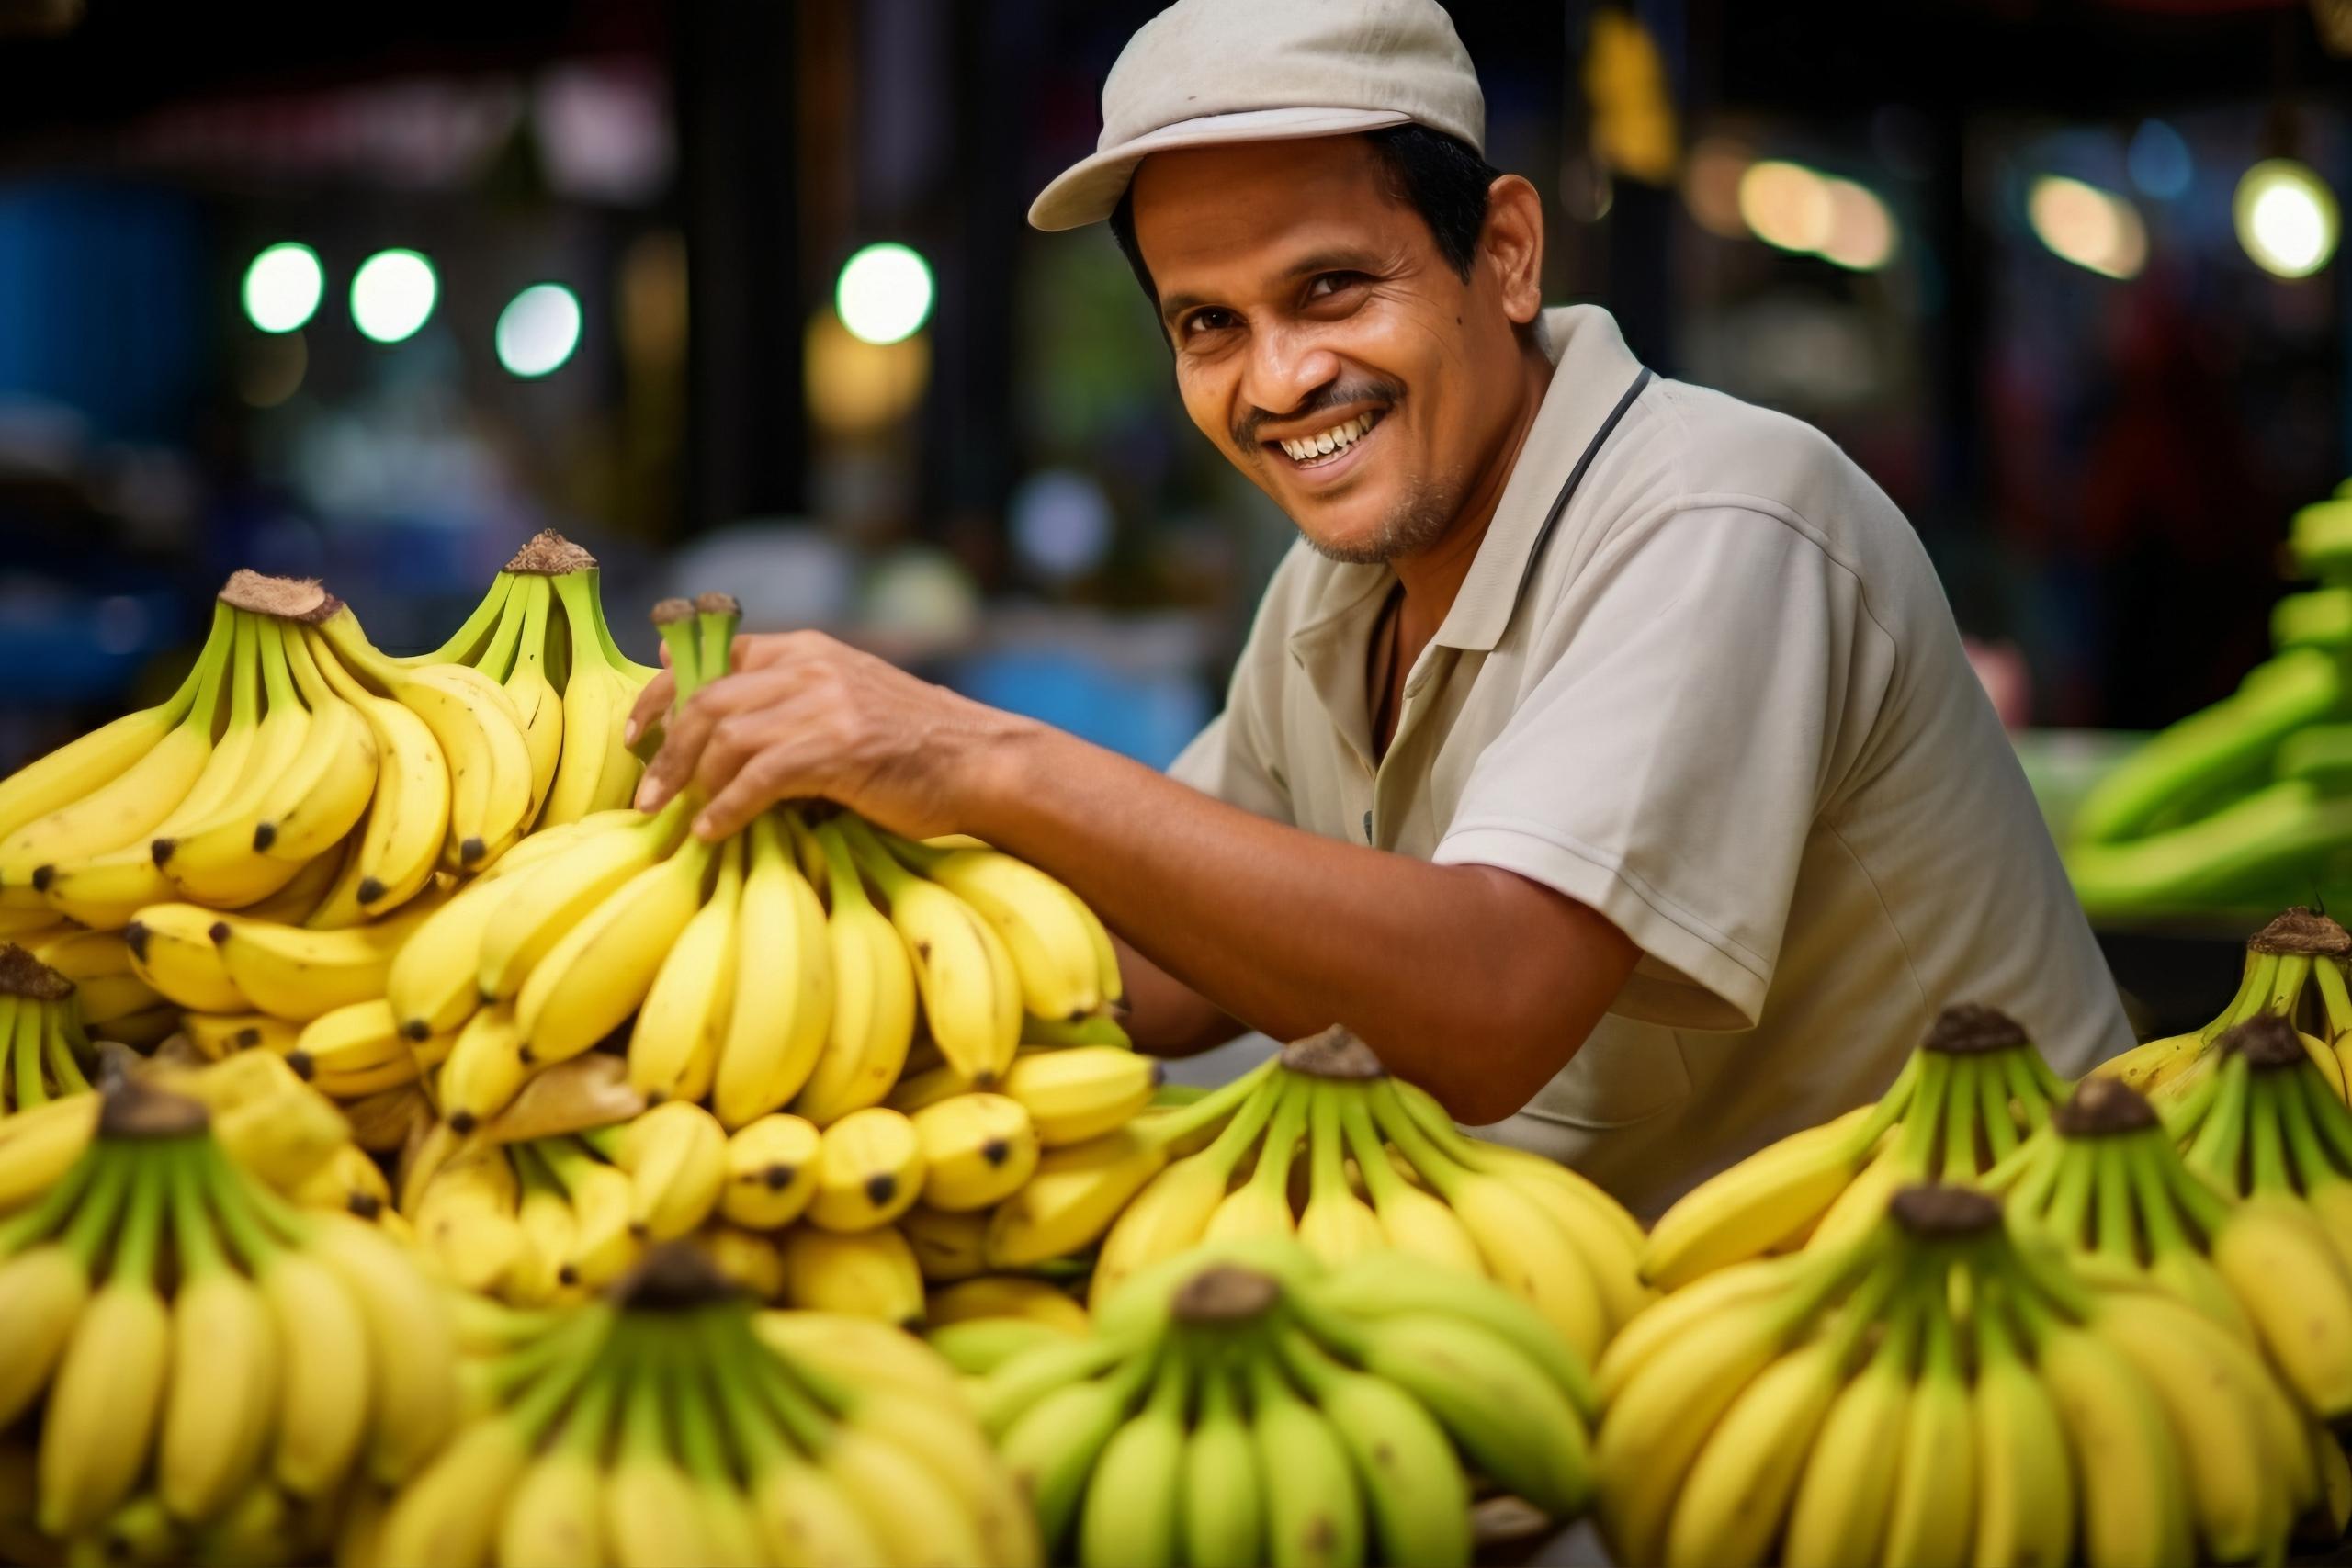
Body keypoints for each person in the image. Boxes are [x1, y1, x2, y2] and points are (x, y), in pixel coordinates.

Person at [628, 0, 2132, 1214]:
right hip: (1611, 1341)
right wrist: (775, 919)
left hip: (1966, 1349)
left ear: (1506, 254)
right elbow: (1152, 975)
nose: (1279, 381)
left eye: (1335, 288)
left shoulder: (1718, 510)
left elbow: (1493, 998)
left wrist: (976, 756)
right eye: (1210, 324)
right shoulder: (1335, 595)